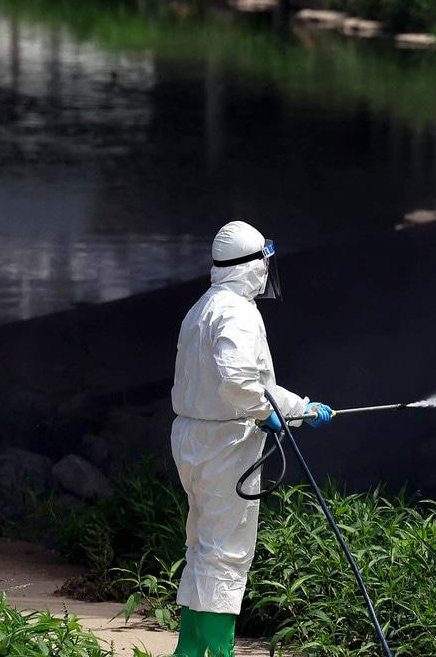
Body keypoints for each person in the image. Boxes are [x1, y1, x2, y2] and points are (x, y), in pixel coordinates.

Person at [170, 220, 333, 657]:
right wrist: (267, 414)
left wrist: (300, 408)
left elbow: (247, 383)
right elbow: (240, 382)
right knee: (227, 553)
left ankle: (189, 651)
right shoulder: (239, 313)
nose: (266, 269)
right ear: (251, 266)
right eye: (264, 260)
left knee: (202, 546)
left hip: (195, 438)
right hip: (226, 444)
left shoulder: (204, 306)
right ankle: (218, 653)